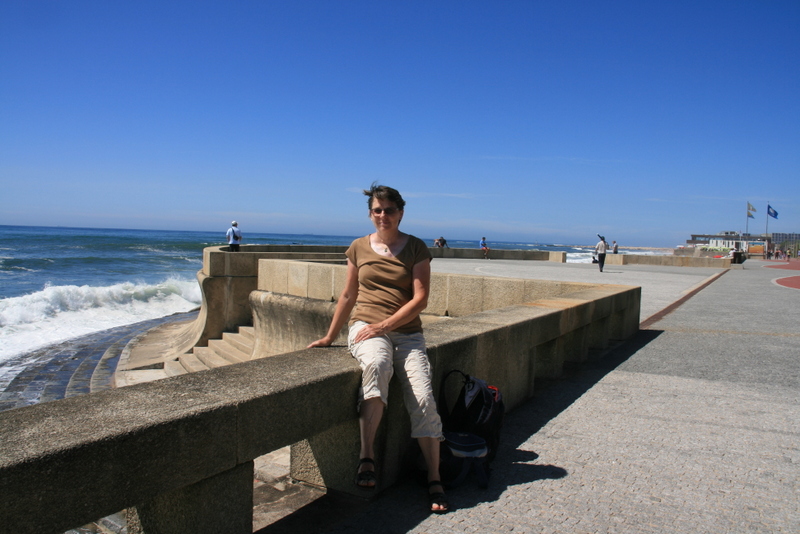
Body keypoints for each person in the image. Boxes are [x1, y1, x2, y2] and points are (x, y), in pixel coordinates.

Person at [307, 183, 448, 514]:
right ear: (370, 214)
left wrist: (386, 325)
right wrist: (329, 336)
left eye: (389, 210)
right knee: (377, 365)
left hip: (407, 333)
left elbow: (420, 299)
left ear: (401, 212)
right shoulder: (358, 247)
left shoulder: (416, 248)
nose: (383, 215)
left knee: (423, 397)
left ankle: (435, 475)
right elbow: (348, 295)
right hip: (366, 327)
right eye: (377, 210)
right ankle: (366, 455)